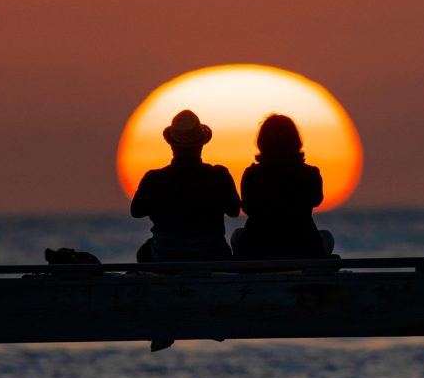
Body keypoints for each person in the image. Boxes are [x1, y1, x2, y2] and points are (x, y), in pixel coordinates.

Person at [131, 110, 240, 263]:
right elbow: (234, 211)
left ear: (171, 146)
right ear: (201, 145)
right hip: (213, 255)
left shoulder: (154, 179)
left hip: (166, 256)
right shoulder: (219, 175)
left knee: (144, 251)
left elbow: (136, 211)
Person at [232, 114, 334, 260]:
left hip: (257, 249)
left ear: (262, 142)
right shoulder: (310, 173)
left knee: (237, 234)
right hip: (303, 248)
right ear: (295, 141)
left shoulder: (251, 174)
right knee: (326, 236)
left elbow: (247, 208)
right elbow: (317, 200)